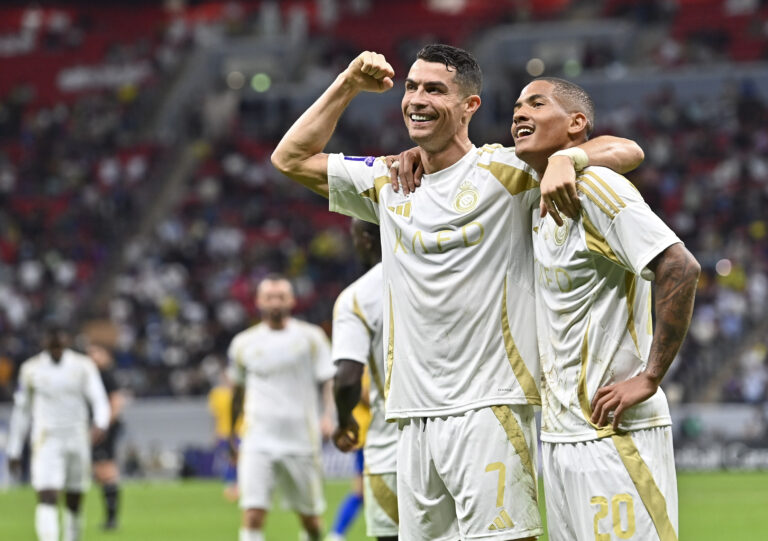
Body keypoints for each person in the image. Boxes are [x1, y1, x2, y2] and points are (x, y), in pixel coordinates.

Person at [272, 44, 643, 540]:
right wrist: (348, 84)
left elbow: (628, 151)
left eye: (434, 90)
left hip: (488, 407)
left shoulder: (506, 172)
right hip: (410, 415)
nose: (416, 99)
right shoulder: (390, 180)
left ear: (470, 107)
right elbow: (290, 158)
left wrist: (568, 159)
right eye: (411, 87)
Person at [511, 77, 700, 541]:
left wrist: (651, 377)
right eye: (515, 106)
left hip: (612, 435)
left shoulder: (593, 187)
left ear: (577, 124)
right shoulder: (536, 195)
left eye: (536, 103)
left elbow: (680, 266)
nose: (519, 113)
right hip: (558, 439)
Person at [228, 275, 336, 541]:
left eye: (281, 296)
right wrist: (232, 431)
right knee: (253, 513)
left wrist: (329, 415)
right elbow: (237, 392)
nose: (275, 302)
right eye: (269, 297)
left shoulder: (311, 337)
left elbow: (328, 380)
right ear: (258, 302)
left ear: (292, 300)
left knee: (310, 519)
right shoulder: (243, 343)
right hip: (257, 438)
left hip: (301, 439)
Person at [7, 328, 111, 541]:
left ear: (67, 339)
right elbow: (22, 411)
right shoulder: (31, 369)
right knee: (47, 494)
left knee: (74, 498)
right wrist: (14, 448)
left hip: (77, 436)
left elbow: (99, 398)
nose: (56, 343)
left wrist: (101, 423)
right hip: (46, 438)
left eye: (60, 338)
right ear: (45, 341)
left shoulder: (83, 365)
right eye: (51, 338)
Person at [331, 219, 398, 541]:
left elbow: (346, 379)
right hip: (462, 432)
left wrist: (344, 420)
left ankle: (336, 533)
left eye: (354, 236)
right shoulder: (448, 272)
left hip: (393, 444)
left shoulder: (359, 296)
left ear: (369, 239)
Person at [87, 344, 125, 530]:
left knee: (106, 469)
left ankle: (112, 520)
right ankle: (110, 518)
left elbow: (116, 401)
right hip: (95, 428)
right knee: (99, 472)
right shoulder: (93, 376)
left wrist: (103, 426)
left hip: (103, 430)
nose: (92, 356)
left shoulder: (106, 375)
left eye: (96, 352)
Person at [207, 366, 243, 502]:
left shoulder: (241, 393)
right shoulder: (216, 394)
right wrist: (214, 433)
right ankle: (230, 486)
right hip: (224, 432)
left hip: (240, 432)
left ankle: (237, 486)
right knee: (228, 460)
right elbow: (215, 416)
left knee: (238, 460)